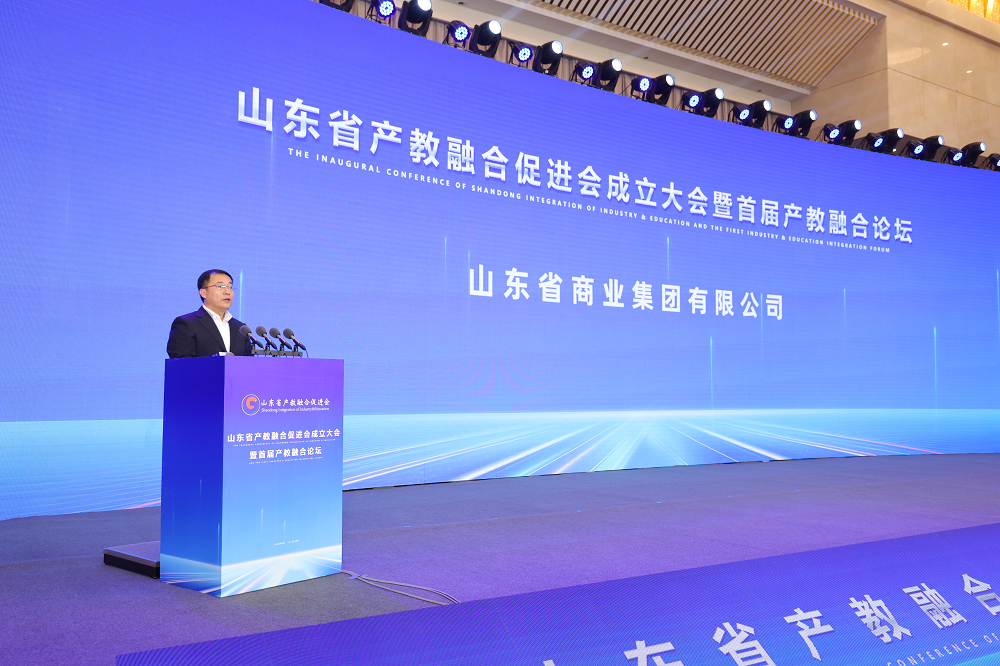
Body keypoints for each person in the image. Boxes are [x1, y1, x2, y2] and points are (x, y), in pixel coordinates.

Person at [166, 270, 252, 358]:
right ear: (203, 293)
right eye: (220, 286)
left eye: (230, 287)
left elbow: (249, 362)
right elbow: (181, 362)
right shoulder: (186, 324)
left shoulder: (241, 328)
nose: (227, 291)